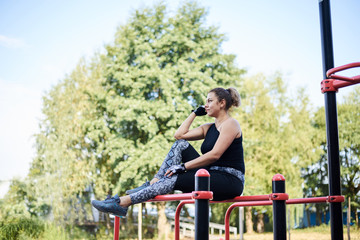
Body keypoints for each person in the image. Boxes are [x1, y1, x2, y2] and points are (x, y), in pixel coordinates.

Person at [92, 87, 245, 217]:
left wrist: (183, 166)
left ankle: (123, 203)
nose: (206, 105)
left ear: (222, 103)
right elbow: (179, 135)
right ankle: (153, 182)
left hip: (229, 180)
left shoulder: (231, 124)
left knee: (174, 176)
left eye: (209, 101)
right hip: (209, 174)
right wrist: (193, 114)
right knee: (180, 144)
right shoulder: (209, 127)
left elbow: (214, 155)